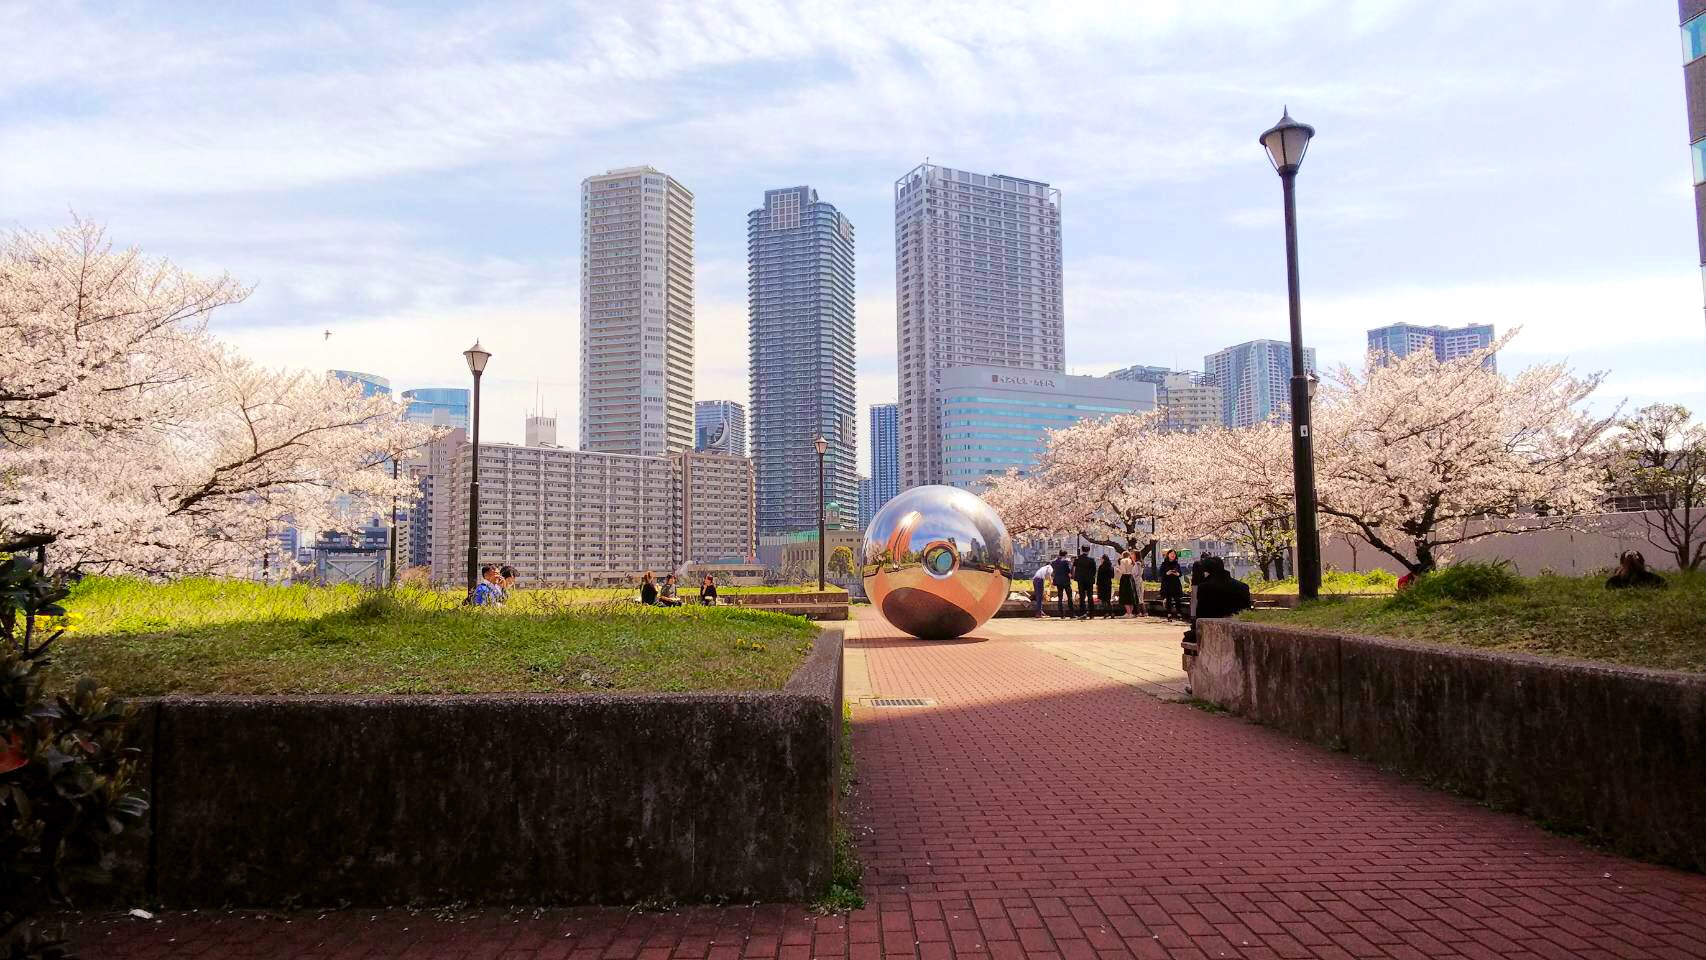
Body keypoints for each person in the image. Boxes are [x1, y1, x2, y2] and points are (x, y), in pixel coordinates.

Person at [1158, 550, 1185, 619]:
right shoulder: (1164, 564)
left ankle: (1179, 613)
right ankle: (1169, 613)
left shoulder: (1177, 564)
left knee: (1177, 599)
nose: (1173, 555)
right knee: (1168, 599)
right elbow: (1161, 574)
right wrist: (1167, 573)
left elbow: (1180, 574)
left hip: (1175, 583)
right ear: (1168, 555)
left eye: (1174, 554)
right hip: (1167, 583)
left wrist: (1177, 574)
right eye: (1171, 554)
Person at [1072, 545, 1097, 619]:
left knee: (1082, 597)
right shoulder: (1091, 560)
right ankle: (1091, 614)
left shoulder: (1078, 559)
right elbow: (1094, 570)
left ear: (1082, 550)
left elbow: (1074, 568)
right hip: (1089, 580)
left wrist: (1075, 577)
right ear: (1089, 550)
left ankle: (1082, 612)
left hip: (1081, 580)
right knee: (1090, 596)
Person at [1050, 550, 1074, 618]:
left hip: (1058, 582)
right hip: (1066, 581)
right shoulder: (1065, 562)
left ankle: (1061, 614)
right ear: (1065, 555)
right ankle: (1071, 614)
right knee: (1069, 597)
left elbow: (1053, 570)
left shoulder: (1054, 562)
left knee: (1060, 598)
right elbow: (1069, 572)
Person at [1116, 550, 1140, 617]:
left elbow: (1123, 571)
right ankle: (1131, 612)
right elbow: (1135, 571)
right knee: (1131, 595)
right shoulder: (1132, 561)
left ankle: (1128, 612)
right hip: (1131, 578)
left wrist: (1118, 570)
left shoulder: (1123, 561)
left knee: (1125, 594)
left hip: (1125, 578)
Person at [1095, 554, 1116, 618]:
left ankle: (1106, 612)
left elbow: (1099, 577)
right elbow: (1112, 576)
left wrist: (1097, 584)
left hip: (1102, 584)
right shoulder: (1111, 567)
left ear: (1103, 559)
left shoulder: (1101, 567)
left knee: (1103, 600)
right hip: (1108, 584)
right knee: (1108, 599)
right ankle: (1112, 612)